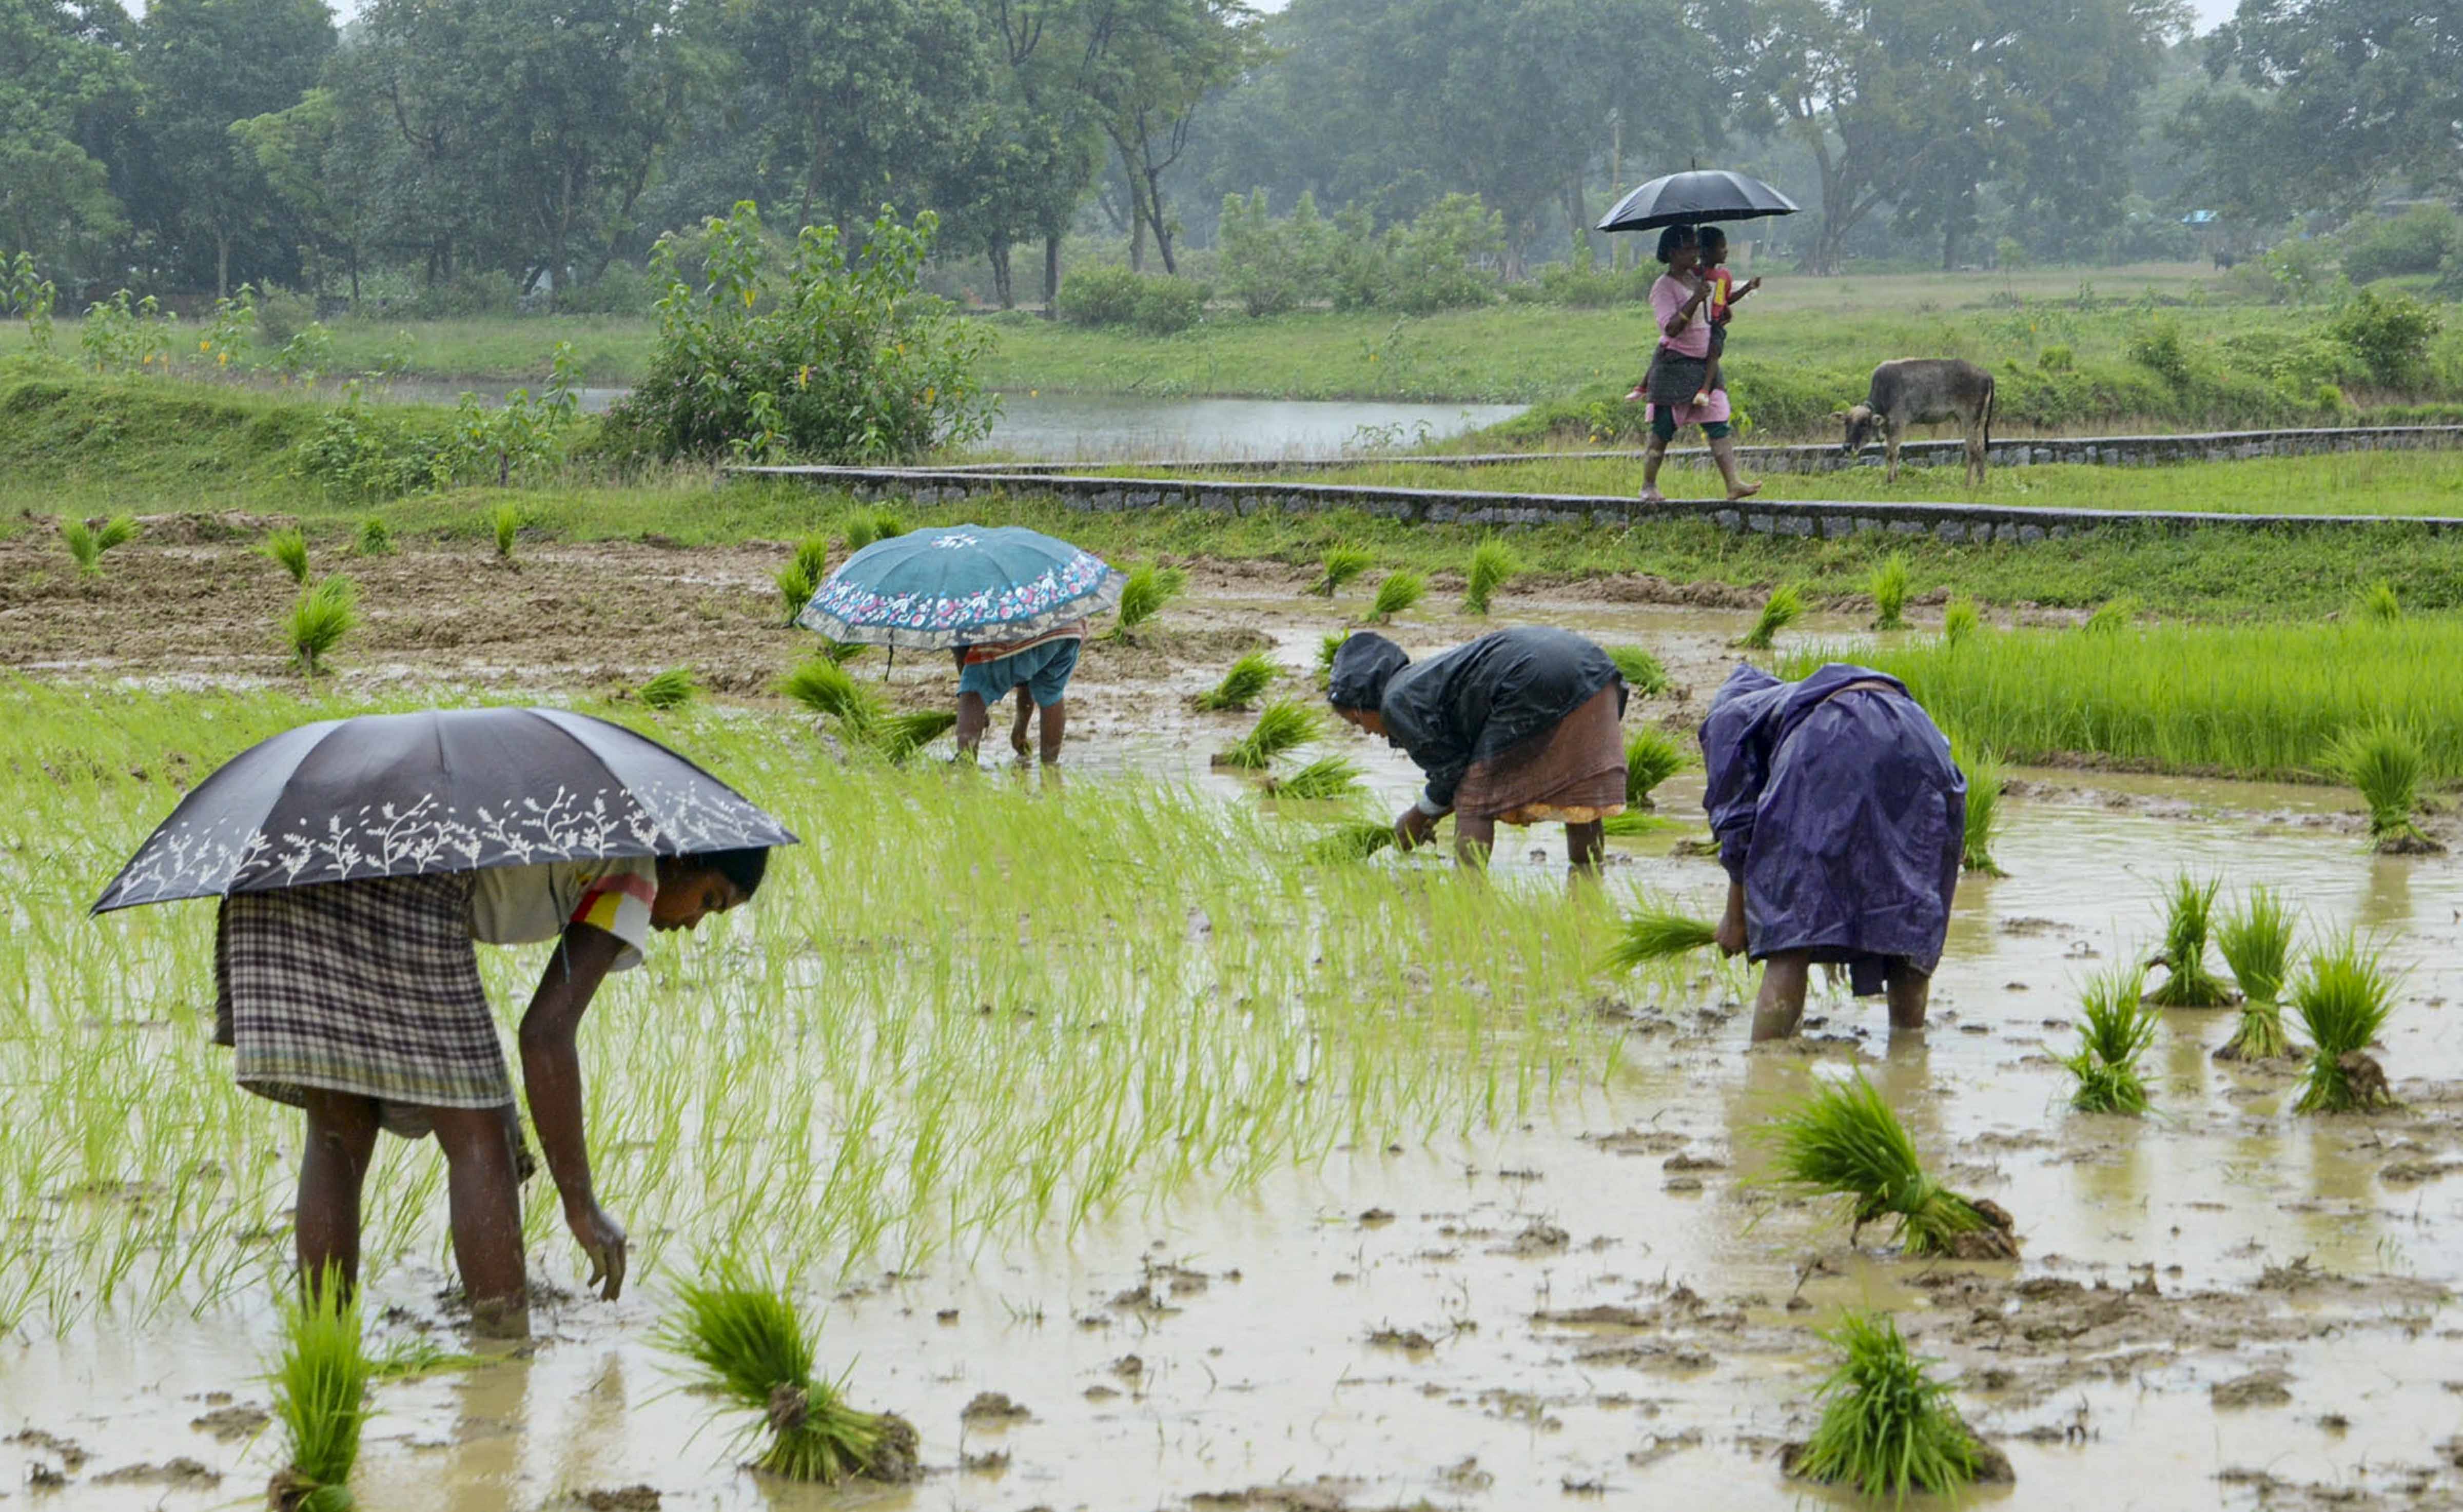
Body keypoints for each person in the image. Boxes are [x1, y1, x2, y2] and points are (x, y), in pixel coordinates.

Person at [216, 848, 770, 1332]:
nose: (695, 923)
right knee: (481, 1136)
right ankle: (502, 1361)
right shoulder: (633, 864)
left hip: (292, 874)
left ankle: (323, 1346)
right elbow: (546, 1037)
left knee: (339, 1129)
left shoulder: (589, 827)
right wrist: (581, 1205)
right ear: (681, 860)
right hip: (397, 893)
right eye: (710, 900)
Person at [1699, 663, 1965, 1043]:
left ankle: (1765, 1068)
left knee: (1790, 931)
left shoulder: (1729, 718)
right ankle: (1909, 1052)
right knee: (1911, 910)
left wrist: (1736, 917)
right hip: (1923, 738)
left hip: (1832, 739)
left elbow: (1738, 824)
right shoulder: (1790, 701)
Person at [1328, 626, 1628, 875]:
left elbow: (1452, 776)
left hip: (1533, 677)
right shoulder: (1422, 681)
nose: (1366, 731)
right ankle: (1588, 878)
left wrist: (1417, 817)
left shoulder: (1396, 702)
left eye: (1356, 721)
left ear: (1363, 700)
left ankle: (1469, 890)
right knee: (1579, 794)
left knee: (1475, 800)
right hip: (1596, 671)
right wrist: (1430, 812)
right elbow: (1457, 766)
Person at [1635, 224, 1760, 505]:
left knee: (1718, 421)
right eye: (1689, 248)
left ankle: (1733, 484)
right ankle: (1648, 485)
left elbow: (1714, 308)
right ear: (1672, 252)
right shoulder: (1663, 287)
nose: (1696, 253)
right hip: (1675, 364)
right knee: (1663, 428)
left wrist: (1720, 313)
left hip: (1704, 362)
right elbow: (1671, 329)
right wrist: (1695, 300)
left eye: (1696, 247)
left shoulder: (1698, 277)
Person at [954, 618, 1085, 765]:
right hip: (1067, 628)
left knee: (974, 690)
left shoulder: (955, 605)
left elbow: (962, 652)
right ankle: (1050, 770)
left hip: (1011, 630)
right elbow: (1027, 676)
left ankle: (965, 770)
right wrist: (1020, 731)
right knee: (1052, 692)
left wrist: (976, 710)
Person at [1693, 225, 1763, 408]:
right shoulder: (1694, 274)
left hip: (1714, 323)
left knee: (1714, 351)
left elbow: (1725, 300)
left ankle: (1705, 389)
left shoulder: (1723, 276)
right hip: (1697, 321)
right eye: (1721, 247)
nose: (1726, 251)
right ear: (1706, 251)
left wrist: (1748, 287)